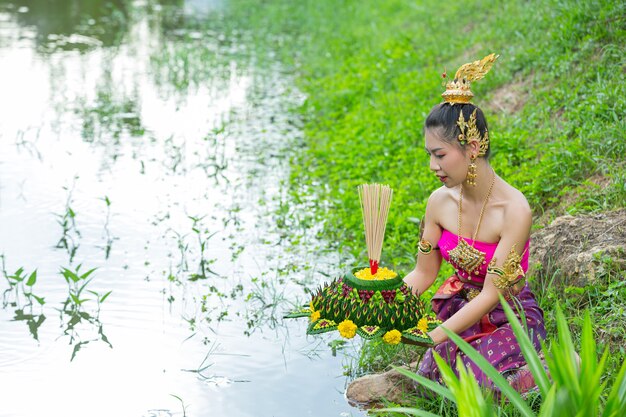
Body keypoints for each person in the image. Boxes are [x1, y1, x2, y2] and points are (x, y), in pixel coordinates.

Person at [403, 53, 546, 394]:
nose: (433, 166)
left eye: (440, 155)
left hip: (505, 313)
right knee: (433, 377)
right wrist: (384, 304)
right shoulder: (438, 202)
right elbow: (424, 273)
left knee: (479, 384)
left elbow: (491, 294)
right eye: (429, 155)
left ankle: (552, 365)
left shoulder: (513, 210)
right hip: (460, 306)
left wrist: (433, 336)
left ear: (473, 148)